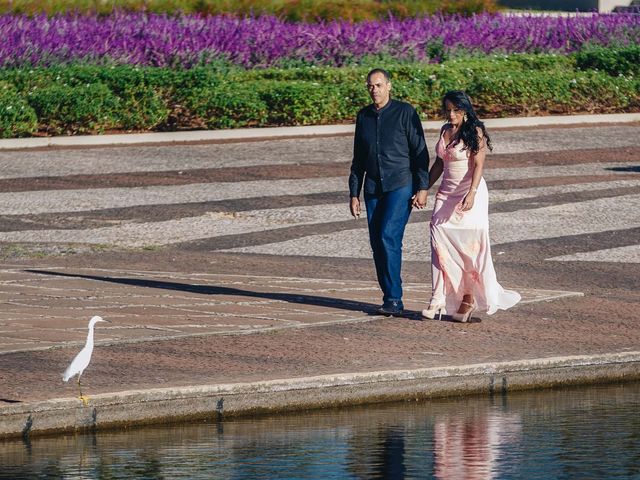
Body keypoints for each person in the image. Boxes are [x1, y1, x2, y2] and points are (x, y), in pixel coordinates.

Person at [422, 90, 520, 322]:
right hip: (446, 193)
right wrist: (424, 187)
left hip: (470, 191)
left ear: (465, 110)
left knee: (469, 246)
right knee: (437, 238)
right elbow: (439, 163)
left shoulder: (475, 131)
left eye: (456, 109)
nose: (451, 114)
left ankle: (468, 298)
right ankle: (437, 298)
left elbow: (478, 166)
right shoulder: (445, 130)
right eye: (448, 109)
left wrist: (472, 193)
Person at [349, 68, 430, 316]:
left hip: (400, 183)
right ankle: (388, 297)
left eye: (379, 85)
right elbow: (358, 158)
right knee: (376, 242)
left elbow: (420, 152)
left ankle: (395, 298)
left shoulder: (405, 112)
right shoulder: (363, 116)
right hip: (373, 186)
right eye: (370, 86)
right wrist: (354, 192)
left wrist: (423, 187)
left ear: (389, 86)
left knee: (388, 236)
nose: (375, 90)